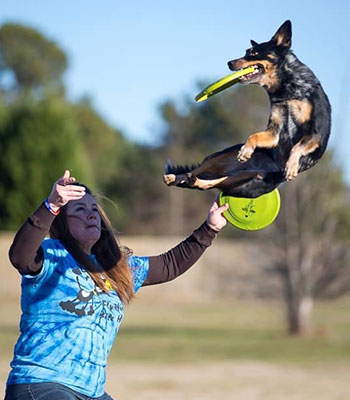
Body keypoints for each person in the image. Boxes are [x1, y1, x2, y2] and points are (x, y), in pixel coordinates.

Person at [5, 170, 229, 400]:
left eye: (93, 210)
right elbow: (19, 256)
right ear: (62, 221)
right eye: (80, 210)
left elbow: (170, 264)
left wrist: (209, 229)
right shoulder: (52, 254)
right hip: (41, 384)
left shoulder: (116, 266)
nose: (91, 215)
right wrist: (50, 206)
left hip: (91, 391)